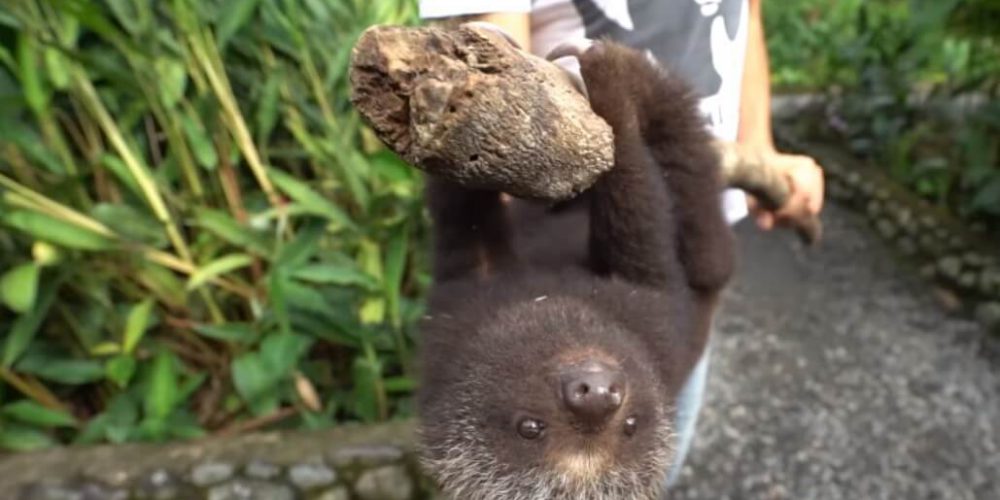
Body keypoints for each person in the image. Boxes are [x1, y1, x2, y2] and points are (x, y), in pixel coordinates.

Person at [419, 0, 825, 486]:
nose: (598, 399)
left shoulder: (466, 345)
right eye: (626, 428)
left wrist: (458, 125)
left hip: (566, 198)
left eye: (533, 430)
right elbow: (639, 249)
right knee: (701, 260)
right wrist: (624, 119)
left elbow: (467, 239)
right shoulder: (643, 345)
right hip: (673, 254)